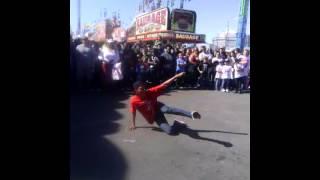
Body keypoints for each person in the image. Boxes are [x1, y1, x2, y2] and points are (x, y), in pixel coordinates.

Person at [129, 72, 201, 135]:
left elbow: (164, 84)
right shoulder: (133, 100)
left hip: (158, 106)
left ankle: (191, 114)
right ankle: (178, 123)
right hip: (155, 116)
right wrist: (133, 124)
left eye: (144, 88)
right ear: (136, 91)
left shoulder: (150, 92)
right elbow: (133, 112)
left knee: (166, 109)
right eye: (141, 89)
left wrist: (176, 76)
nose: (144, 90)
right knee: (170, 132)